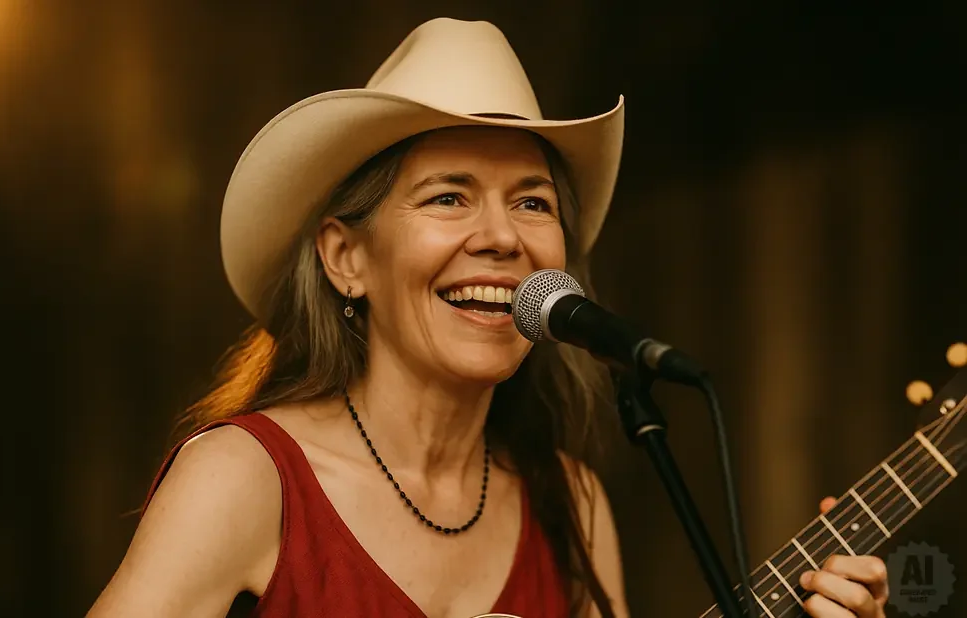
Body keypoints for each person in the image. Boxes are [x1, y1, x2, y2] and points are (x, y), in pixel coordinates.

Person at [88, 18, 890, 618]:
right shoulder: (245, 478)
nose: (503, 237)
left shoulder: (568, 503)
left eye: (532, 202)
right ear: (346, 258)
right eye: (448, 196)